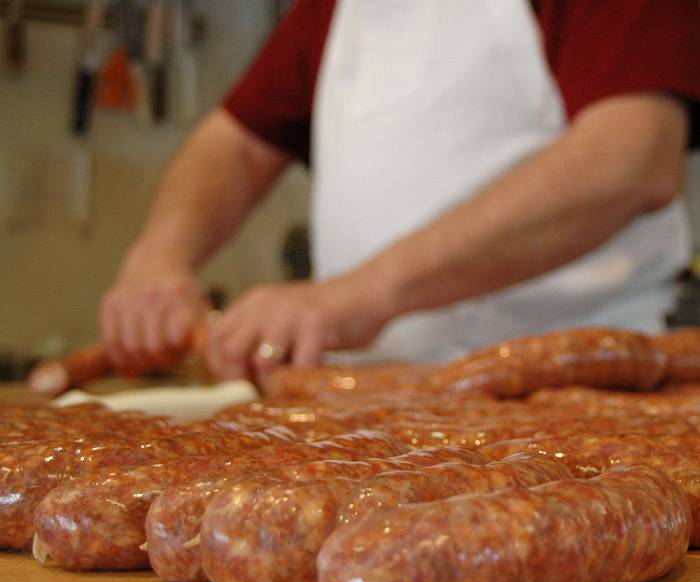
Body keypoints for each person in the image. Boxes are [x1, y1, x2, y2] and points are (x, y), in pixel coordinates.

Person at [101, 0, 700, 385]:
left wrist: (354, 296)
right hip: (370, 402)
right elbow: (237, 144)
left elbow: (630, 159)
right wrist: (159, 255)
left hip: (581, 395)